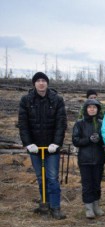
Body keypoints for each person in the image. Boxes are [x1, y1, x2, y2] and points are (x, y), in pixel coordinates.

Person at [18, 72, 68, 219]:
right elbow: (23, 125)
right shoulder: (26, 100)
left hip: (51, 148)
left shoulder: (56, 100)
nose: (41, 83)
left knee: (52, 177)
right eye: (38, 81)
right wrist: (28, 143)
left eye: (43, 80)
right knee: (41, 177)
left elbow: (61, 124)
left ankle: (55, 207)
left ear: (47, 83)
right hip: (35, 148)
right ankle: (44, 204)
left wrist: (56, 143)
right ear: (34, 83)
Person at [72, 99, 105, 219]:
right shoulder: (79, 123)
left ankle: (97, 206)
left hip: (99, 158)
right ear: (86, 109)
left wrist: (100, 139)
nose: (92, 109)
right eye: (90, 107)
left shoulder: (102, 123)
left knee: (97, 183)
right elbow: (75, 140)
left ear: (98, 109)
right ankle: (88, 208)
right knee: (87, 184)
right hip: (85, 159)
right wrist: (88, 139)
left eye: (94, 107)